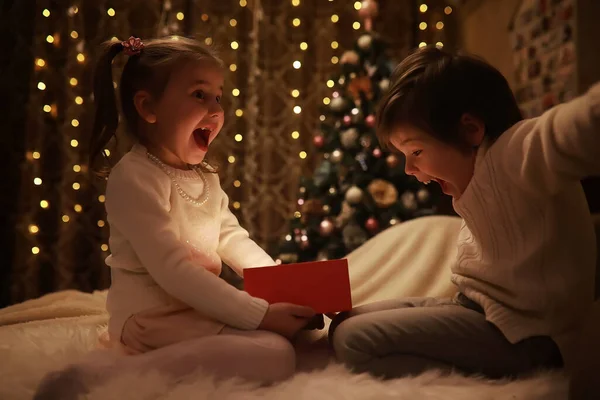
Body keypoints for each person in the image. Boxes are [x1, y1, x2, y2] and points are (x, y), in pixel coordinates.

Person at [329, 46, 600, 380]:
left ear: (470, 129)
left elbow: (581, 125)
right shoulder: (473, 177)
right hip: (476, 308)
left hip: (528, 333)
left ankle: (476, 379)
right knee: (344, 321)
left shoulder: (515, 152)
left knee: (353, 341)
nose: (410, 168)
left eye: (416, 151)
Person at [89, 36, 315, 382]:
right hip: (149, 321)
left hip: (194, 310)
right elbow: (173, 270)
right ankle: (116, 375)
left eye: (218, 97)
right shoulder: (133, 177)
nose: (216, 110)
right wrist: (258, 314)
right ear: (148, 108)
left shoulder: (206, 178)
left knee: (295, 342)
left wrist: (282, 288)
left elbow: (231, 238)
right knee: (276, 354)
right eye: (199, 95)